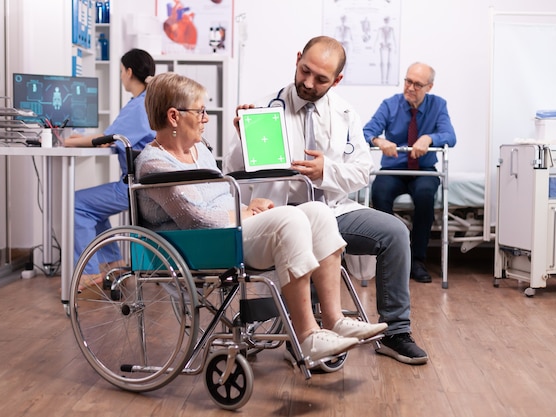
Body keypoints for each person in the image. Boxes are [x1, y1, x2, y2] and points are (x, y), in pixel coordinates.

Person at [135, 72, 387, 363]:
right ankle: (307, 335)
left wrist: (249, 203)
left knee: (317, 213)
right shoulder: (155, 164)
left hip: (224, 233)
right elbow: (195, 219)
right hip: (199, 246)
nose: (206, 118)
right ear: (174, 116)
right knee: (289, 220)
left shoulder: (198, 151)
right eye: (200, 111)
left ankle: (333, 319)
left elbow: (219, 195)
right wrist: (243, 211)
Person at [223, 36, 428, 365]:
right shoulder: (262, 109)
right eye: (305, 71)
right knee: (302, 228)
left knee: (395, 232)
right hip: (283, 215)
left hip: (334, 210)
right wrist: (240, 140)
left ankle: (396, 333)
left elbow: (362, 171)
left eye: (321, 79)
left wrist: (325, 172)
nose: (308, 82)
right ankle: (306, 332)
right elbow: (232, 176)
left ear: (337, 80)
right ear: (298, 57)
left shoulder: (346, 113)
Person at [65, 48, 156, 291]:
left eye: (120, 72)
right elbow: (112, 137)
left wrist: (69, 141)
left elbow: (107, 138)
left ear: (128, 72)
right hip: (149, 183)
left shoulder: (139, 106)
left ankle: (89, 272)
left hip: (137, 187)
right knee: (93, 207)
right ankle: (112, 262)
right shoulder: (149, 101)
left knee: (77, 204)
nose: (120, 77)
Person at [363, 62, 456, 283]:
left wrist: (429, 138)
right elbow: (366, 132)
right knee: (379, 193)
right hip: (393, 169)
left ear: (429, 87)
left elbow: (450, 136)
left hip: (423, 169)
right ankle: (388, 258)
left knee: (425, 195)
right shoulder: (390, 105)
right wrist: (379, 140)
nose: (410, 87)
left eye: (417, 84)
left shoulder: (438, 105)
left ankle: (417, 260)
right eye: (408, 81)